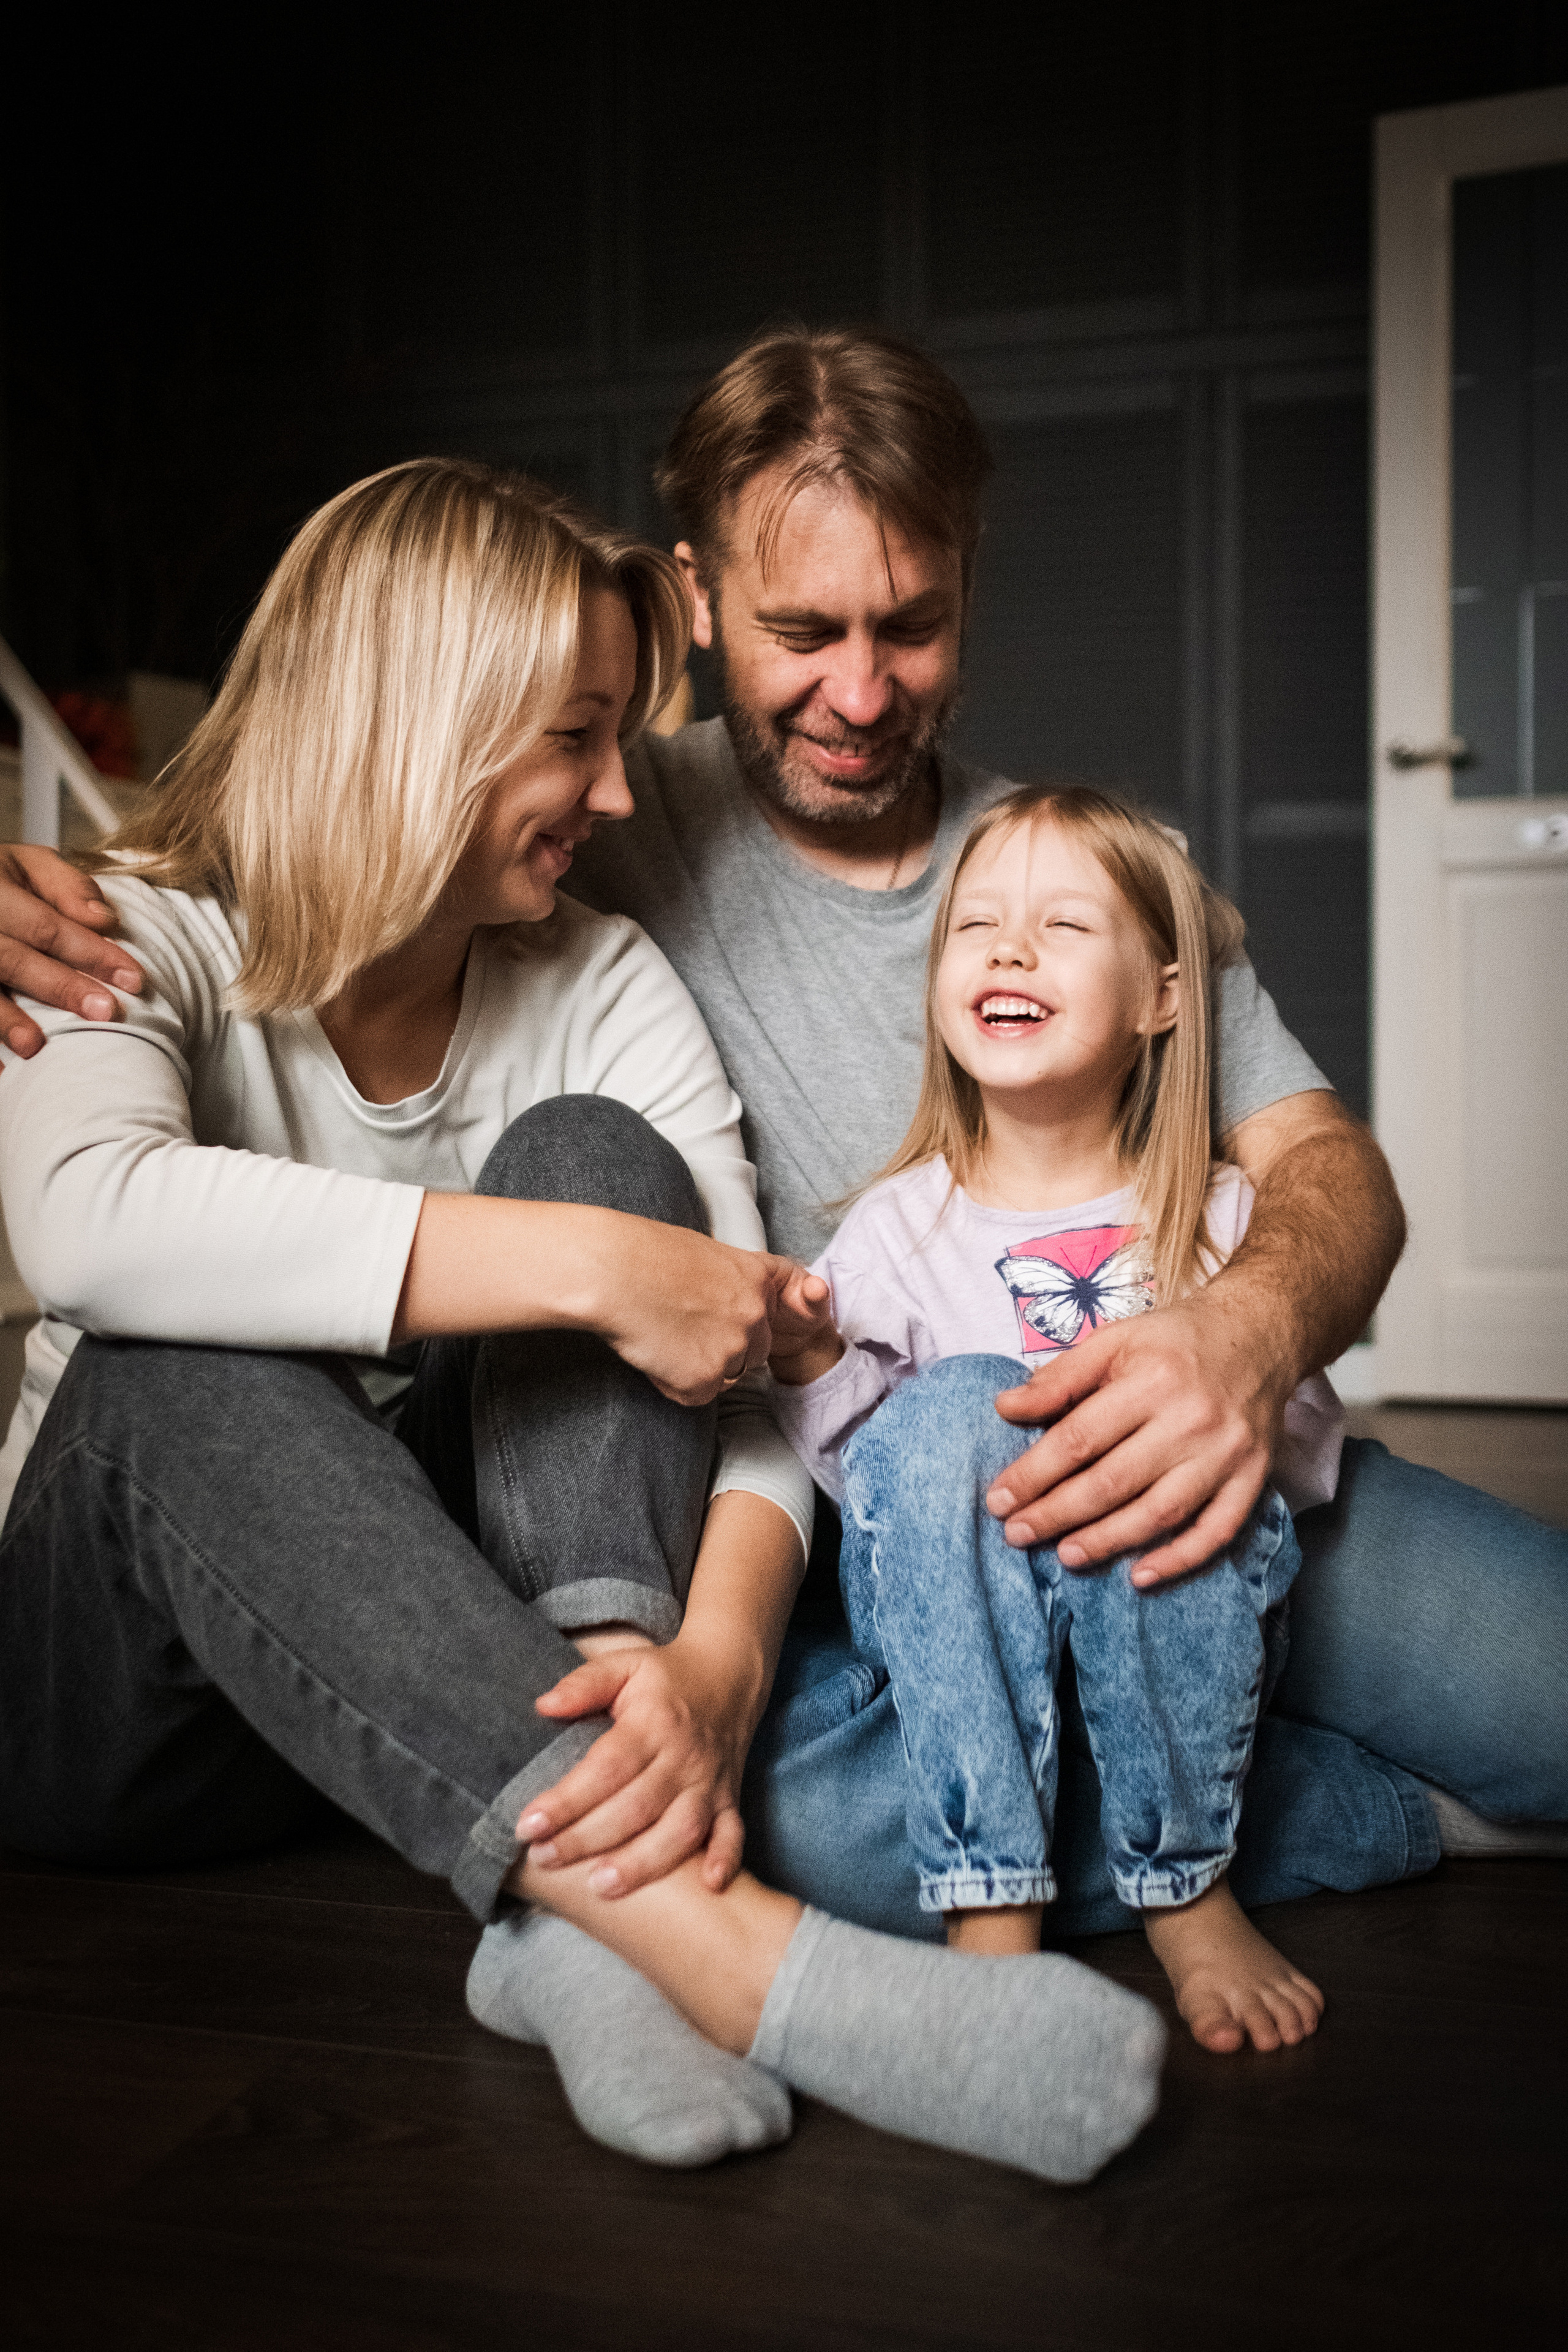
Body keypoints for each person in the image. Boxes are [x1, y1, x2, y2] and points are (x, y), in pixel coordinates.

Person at [4, 331, 1564, 1936]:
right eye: (801, 631)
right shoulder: (591, 821)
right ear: (697, 601)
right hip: (851, 1540)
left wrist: (1240, 1341)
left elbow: (1330, 1174)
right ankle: (1264, 1803)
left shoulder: (1084, 867)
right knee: (813, 1826)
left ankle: (1189, 1755)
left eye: (915, 623)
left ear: (968, 579)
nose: (863, 690)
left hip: (1170, 1473)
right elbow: (344, 810)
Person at [0, 457, 1167, 2184]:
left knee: (601, 1159)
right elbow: (86, 1224)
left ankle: (570, 1915)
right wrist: (595, 1271)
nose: (619, 793)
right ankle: (714, 1944)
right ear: (421, 722)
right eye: (575, 736)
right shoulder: (121, 941)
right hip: (114, 1720)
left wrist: (712, 1670)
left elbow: (757, 1370)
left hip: (439, 1702)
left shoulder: (600, 982)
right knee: (172, 1355)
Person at [769, 786, 1327, 2053]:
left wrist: (1162, 1446)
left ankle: (1181, 1880)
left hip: (1177, 1621)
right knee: (954, 1406)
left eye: (1063, 926)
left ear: (1162, 1000)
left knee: (1150, 1433)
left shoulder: (1223, 1221)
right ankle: (989, 1906)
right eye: (976, 927)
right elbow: (877, 1491)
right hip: (967, 1640)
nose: (1009, 950)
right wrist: (811, 1363)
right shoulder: (893, 1231)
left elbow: (1289, 1452)